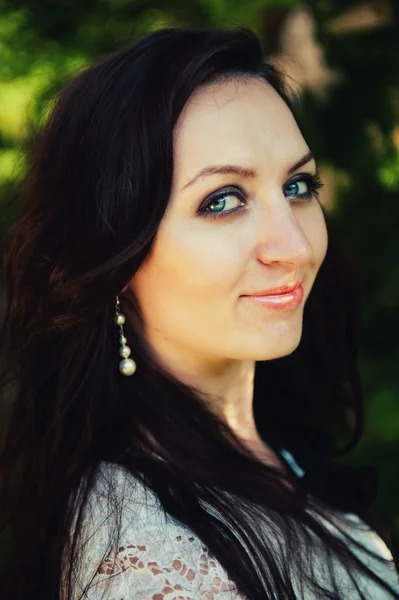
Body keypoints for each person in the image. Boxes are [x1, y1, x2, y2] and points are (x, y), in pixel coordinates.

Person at [0, 26, 398, 600]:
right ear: (116, 257)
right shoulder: (147, 556)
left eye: (297, 186)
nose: (295, 245)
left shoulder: (263, 451)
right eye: (222, 200)